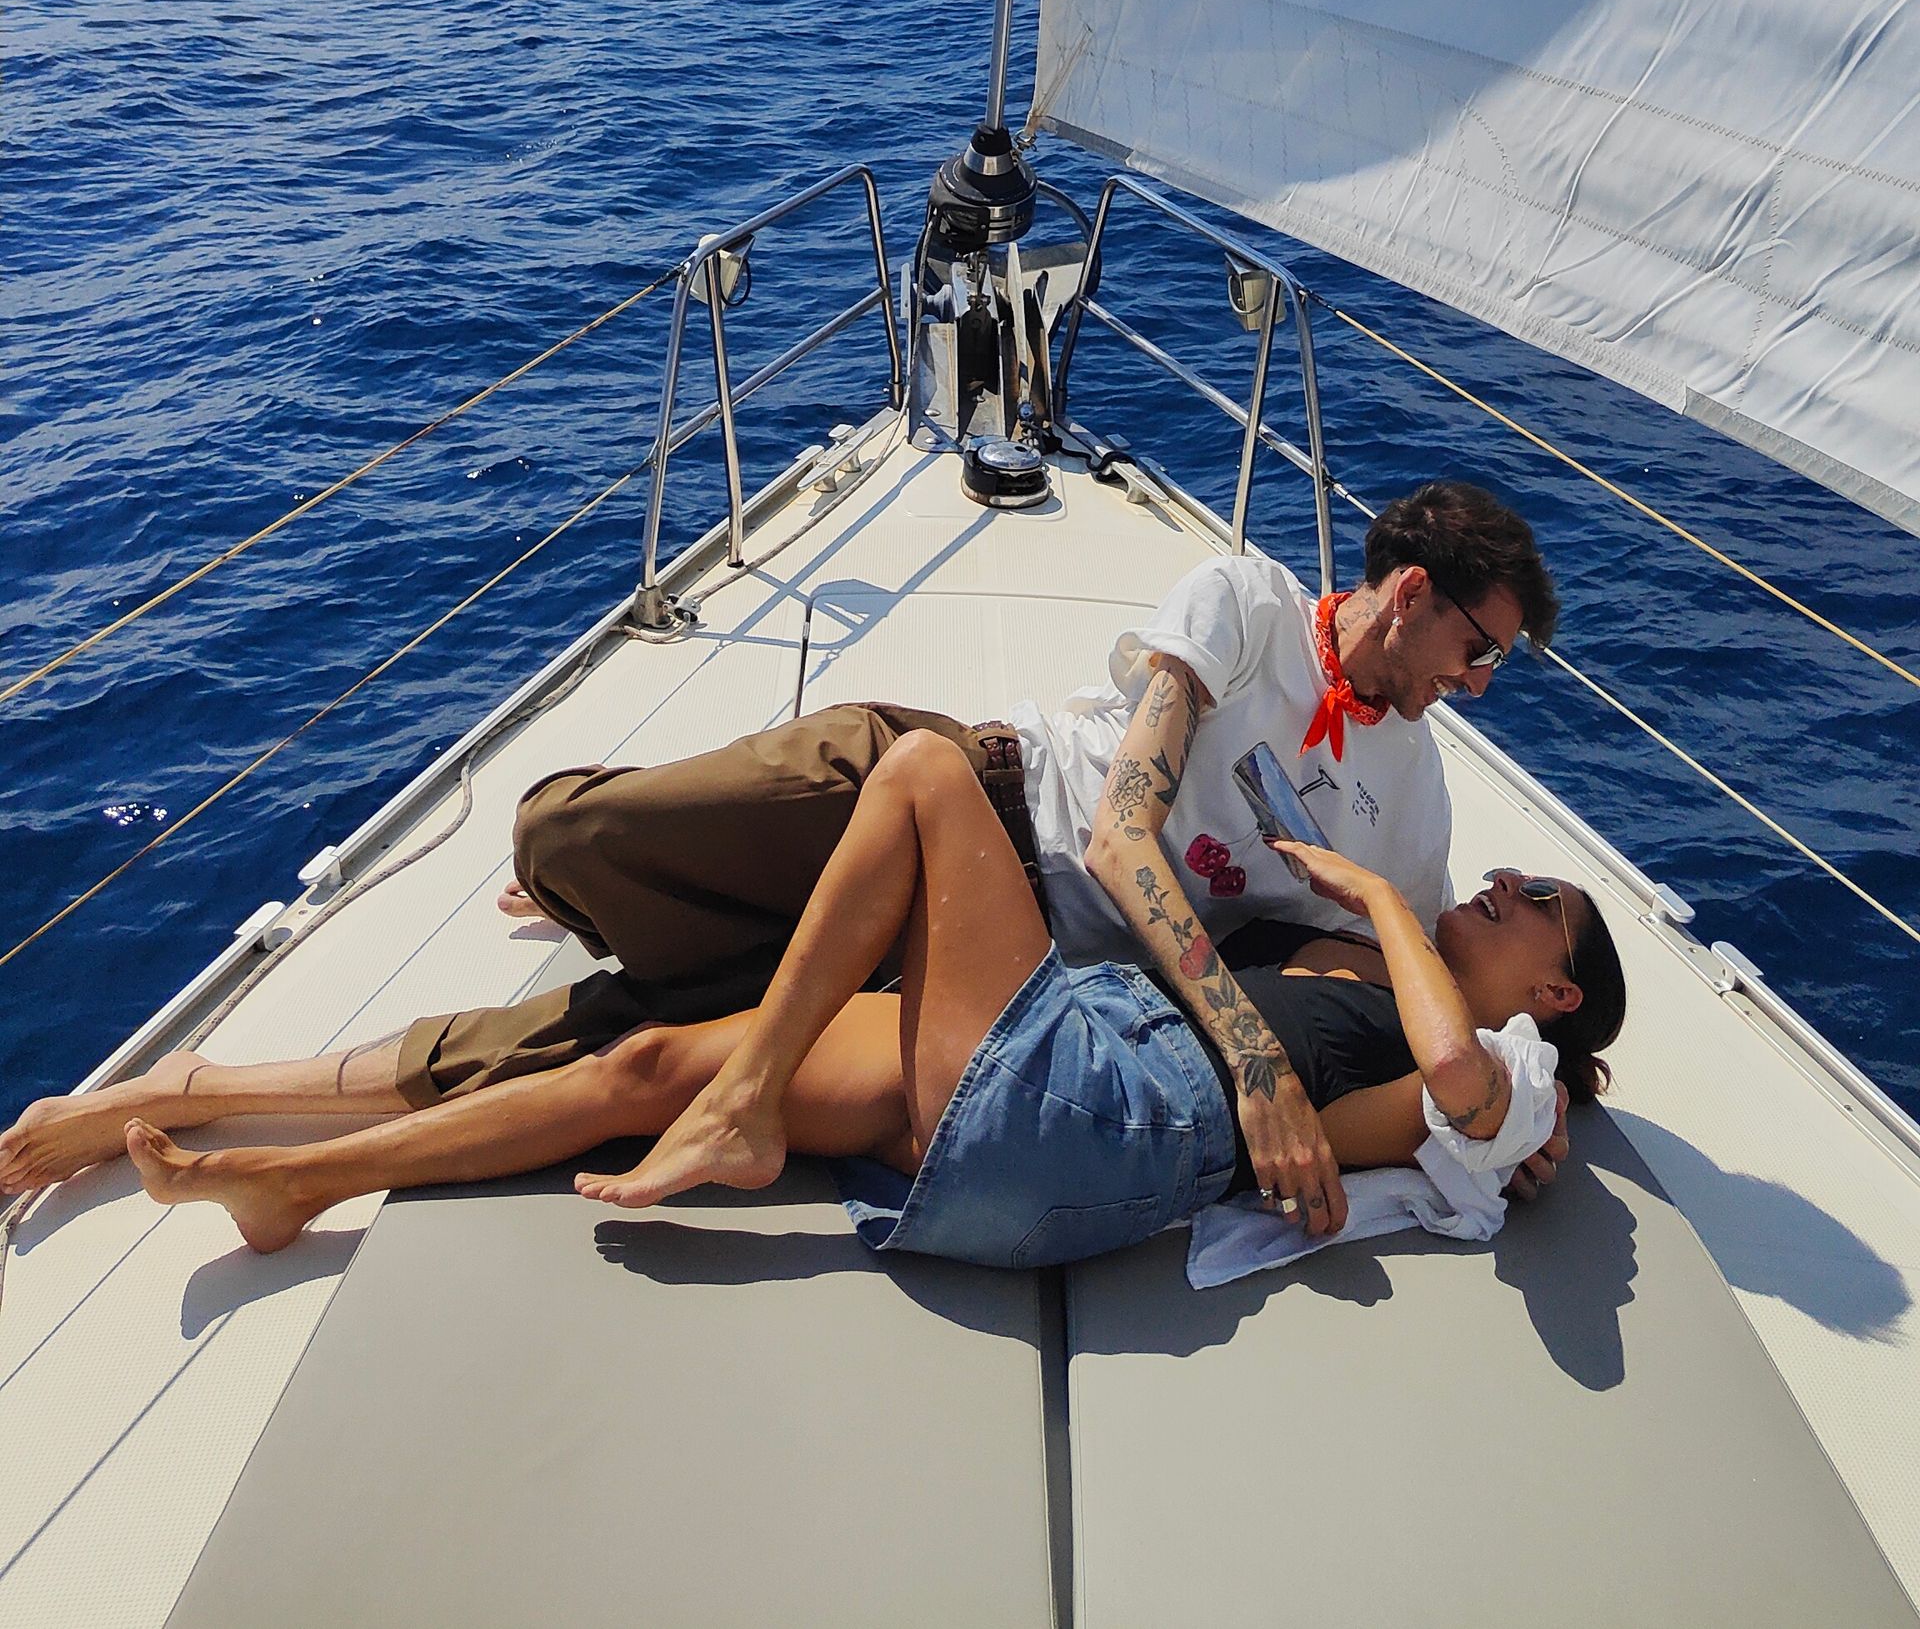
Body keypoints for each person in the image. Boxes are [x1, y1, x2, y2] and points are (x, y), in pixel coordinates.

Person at [1, 671, 1622, 1271]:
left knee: (911, 779)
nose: (1496, 882)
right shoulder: (1345, 962)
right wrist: (1346, 912)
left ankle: (751, 1092)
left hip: (1070, 1099)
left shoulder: (1486, 1082)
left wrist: (1385, 911)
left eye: (1533, 899)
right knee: (637, 1067)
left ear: (1551, 990)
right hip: (1052, 1052)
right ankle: (264, 1151)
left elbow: (1473, 1109)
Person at [409, 479, 1558, 1145]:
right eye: (1479, 646)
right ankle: (593, 881)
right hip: (969, 791)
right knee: (569, 837)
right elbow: (1119, 833)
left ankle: (416, 1066)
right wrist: (1251, 1052)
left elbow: (1420, 983)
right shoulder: (1246, 606)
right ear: (1411, 592)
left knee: (637, 1032)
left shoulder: (1414, 797)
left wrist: (1535, 1113)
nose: (1479, 680)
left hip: (994, 952)